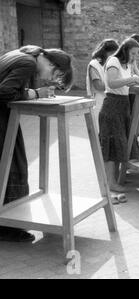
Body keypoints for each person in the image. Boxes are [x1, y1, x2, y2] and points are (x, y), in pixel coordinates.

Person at [0, 45, 74, 242]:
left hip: (4, 118)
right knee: (12, 166)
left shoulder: (24, 54)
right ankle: (8, 227)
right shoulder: (27, 62)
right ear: (51, 63)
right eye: (55, 73)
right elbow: (4, 92)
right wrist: (34, 94)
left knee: (10, 165)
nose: (50, 78)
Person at [99, 38, 139, 197]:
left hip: (123, 106)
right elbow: (112, 83)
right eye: (132, 53)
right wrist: (133, 79)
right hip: (112, 106)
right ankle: (110, 182)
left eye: (135, 54)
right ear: (125, 50)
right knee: (112, 145)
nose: (134, 57)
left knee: (120, 144)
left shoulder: (126, 65)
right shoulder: (113, 61)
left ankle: (115, 179)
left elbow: (124, 85)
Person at [86, 39, 119, 107]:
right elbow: (99, 86)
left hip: (112, 99)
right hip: (99, 101)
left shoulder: (112, 63)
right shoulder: (94, 64)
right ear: (105, 52)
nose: (115, 57)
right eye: (113, 54)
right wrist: (118, 84)